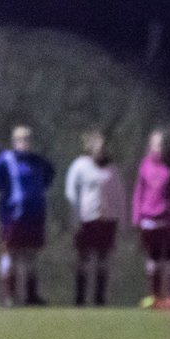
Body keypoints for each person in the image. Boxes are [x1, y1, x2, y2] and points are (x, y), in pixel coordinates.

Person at [0, 124, 54, 306]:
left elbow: (50, 173)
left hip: (34, 214)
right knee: (11, 253)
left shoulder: (37, 161)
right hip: (13, 215)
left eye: (27, 139)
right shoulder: (7, 160)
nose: (24, 143)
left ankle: (31, 295)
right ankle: (9, 296)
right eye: (20, 139)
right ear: (14, 142)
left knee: (31, 255)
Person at [64, 130, 126, 306]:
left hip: (107, 221)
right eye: (97, 146)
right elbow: (71, 191)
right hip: (86, 219)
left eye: (103, 147)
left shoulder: (112, 169)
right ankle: (80, 299)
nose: (101, 150)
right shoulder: (79, 165)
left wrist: (122, 220)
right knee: (83, 259)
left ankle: (99, 299)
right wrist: (74, 216)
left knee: (103, 259)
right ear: (90, 147)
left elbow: (119, 195)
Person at [132, 128, 170, 306]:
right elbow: (139, 192)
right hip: (149, 220)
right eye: (156, 144)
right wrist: (137, 216)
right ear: (151, 145)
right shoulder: (145, 165)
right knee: (153, 259)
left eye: (162, 144)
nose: (159, 148)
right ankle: (154, 296)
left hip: (169, 220)